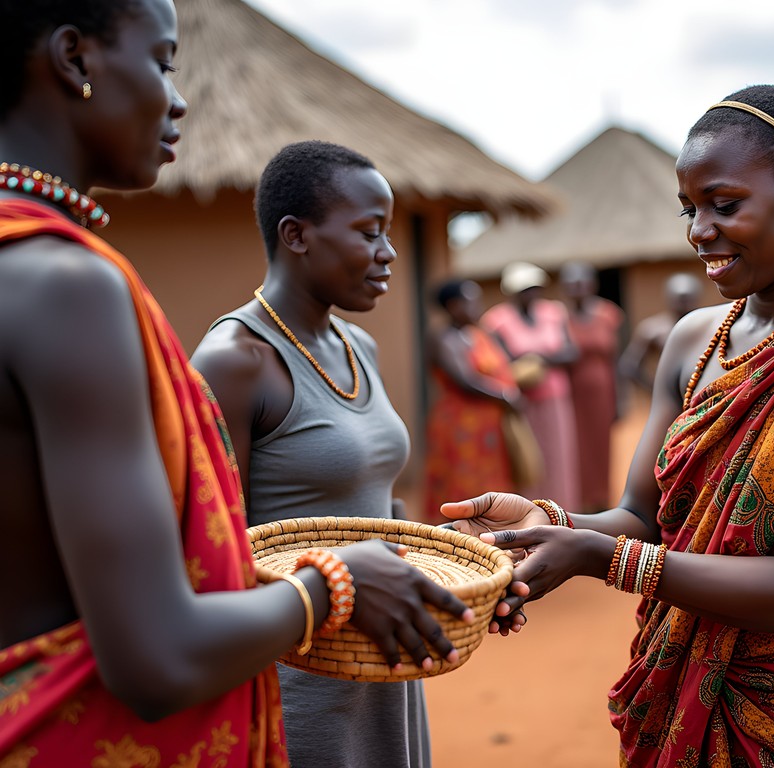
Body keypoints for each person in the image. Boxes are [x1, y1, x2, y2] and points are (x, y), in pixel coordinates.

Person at [0, 5, 470, 765]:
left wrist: (416, 564)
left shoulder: (35, 269)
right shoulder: (68, 287)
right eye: (163, 62)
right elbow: (160, 654)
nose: (177, 98)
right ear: (74, 59)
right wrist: (334, 587)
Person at [443, 84, 774, 766]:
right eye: (689, 209)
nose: (699, 232)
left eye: (724, 204)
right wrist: (547, 523)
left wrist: (603, 558)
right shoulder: (695, 342)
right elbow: (642, 518)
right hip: (689, 680)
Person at [190, 140, 446, 768]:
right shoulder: (236, 362)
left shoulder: (357, 343)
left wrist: (438, 573)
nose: (388, 253)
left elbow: (379, 504)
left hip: (382, 654)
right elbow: (207, 551)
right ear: (296, 235)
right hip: (297, 673)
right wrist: (332, 583)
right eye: (369, 232)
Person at [481, 261, 581, 511]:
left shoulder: (554, 313)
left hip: (556, 399)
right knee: (527, 461)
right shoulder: (497, 321)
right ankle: (525, 514)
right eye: (525, 289)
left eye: (534, 288)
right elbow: (499, 360)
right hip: (521, 403)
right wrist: (531, 363)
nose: (531, 294)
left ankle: (560, 512)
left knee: (559, 457)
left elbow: (571, 352)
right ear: (512, 292)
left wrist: (539, 359)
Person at [423, 278, 524, 523]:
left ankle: (490, 532)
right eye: (471, 301)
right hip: (459, 425)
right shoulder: (444, 338)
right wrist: (503, 396)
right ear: (453, 306)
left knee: (489, 480)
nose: (478, 306)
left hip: (488, 424)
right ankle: (455, 536)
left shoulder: (478, 335)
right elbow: (465, 380)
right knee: (461, 479)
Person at [559, 261, 625, 512]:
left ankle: (602, 502)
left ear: (592, 284)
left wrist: (621, 398)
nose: (577, 288)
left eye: (581, 282)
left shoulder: (608, 314)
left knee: (601, 448)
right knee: (575, 449)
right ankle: (577, 505)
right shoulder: (560, 319)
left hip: (601, 393)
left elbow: (616, 359)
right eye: (571, 284)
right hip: (571, 395)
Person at [618, 272, 703, 393]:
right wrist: (656, 391)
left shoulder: (707, 326)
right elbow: (630, 366)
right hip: (671, 396)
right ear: (670, 298)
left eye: (689, 299)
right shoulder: (653, 330)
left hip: (702, 394)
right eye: (681, 299)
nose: (685, 304)